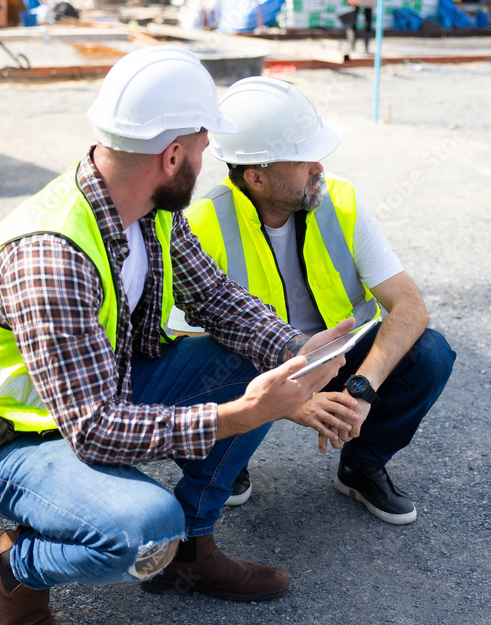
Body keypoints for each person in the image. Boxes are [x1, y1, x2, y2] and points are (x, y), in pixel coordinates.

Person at [0, 47, 356, 625]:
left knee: (255, 363)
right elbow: (94, 429)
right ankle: (13, 567)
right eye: (203, 148)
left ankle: (190, 555)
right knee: (144, 526)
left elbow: (215, 296)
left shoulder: (147, 203)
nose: (208, 162)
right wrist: (242, 414)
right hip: (10, 436)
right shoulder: (52, 257)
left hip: (97, 391)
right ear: (173, 154)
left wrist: (297, 352)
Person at [185, 77, 456, 526]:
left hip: (336, 359)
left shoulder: (341, 200)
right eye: (303, 159)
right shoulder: (202, 224)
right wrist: (288, 403)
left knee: (430, 353)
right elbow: (181, 353)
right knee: (204, 369)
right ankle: (222, 461)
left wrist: (362, 388)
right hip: (254, 369)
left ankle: (360, 466)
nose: (319, 167)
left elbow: (410, 306)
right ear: (256, 176)